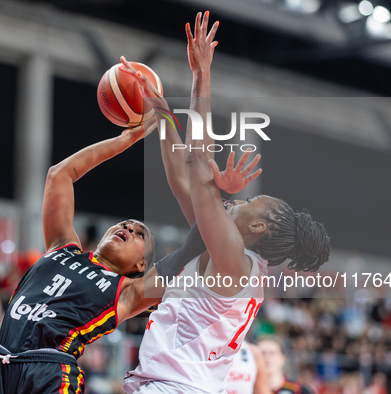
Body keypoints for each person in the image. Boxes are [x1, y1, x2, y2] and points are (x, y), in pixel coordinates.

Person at [0, 94, 247, 393]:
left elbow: (197, 241)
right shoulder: (62, 247)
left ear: (141, 265)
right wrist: (125, 140)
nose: (128, 227)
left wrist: (218, 199)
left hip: (50, 372)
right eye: (126, 224)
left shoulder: (130, 292)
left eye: (140, 233)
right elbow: (59, 175)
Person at [122, 11, 330, 394]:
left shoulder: (233, 258)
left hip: (176, 387)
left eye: (250, 200)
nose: (241, 200)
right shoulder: (227, 252)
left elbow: (197, 163)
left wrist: (202, 76)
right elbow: (181, 178)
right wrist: (162, 110)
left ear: (258, 227)